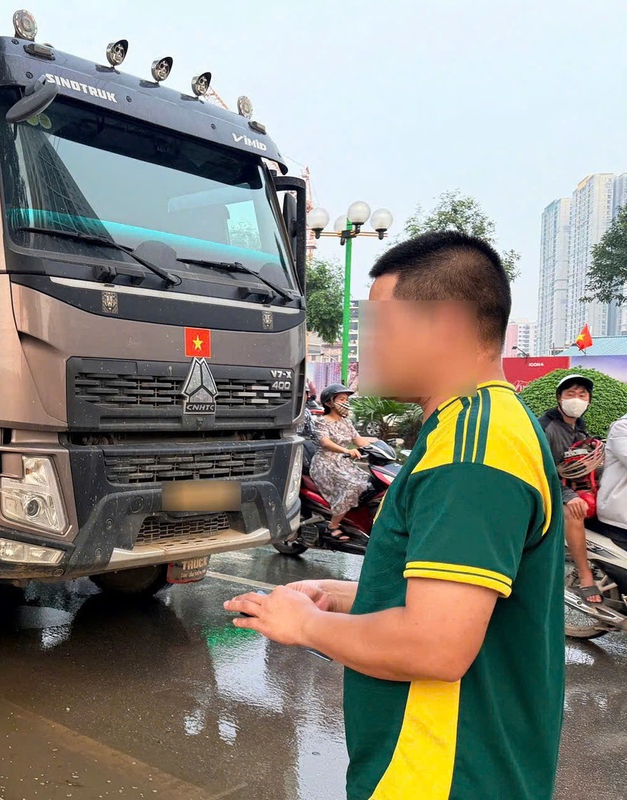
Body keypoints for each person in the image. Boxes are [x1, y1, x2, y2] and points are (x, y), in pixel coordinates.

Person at [225, 231, 564, 800]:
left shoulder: (472, 452)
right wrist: (344, 596)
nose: (365, 349)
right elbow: (461, 609)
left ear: (447, 325)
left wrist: (304, 625)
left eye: (380, 327)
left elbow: (434, 645)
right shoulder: (480, 427)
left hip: (442, 774)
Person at [538, 374, 602, 602]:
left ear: (589, 400)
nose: (576, 399)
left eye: (582, 395)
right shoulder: (546, 427)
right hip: (547, 488)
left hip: (574, 486)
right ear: (559, 398)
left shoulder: (579, 428)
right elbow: (542, 470)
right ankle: (585, 576)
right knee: (574, 511)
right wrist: (569, 496)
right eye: (570, 394)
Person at [308, 383, 375, 541]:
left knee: (369, 484)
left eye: (347, 399)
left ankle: (353, 521)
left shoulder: (347, 422)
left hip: (344, 463)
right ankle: (332, 526)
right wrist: (346, 450)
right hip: (325, 463)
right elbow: (324, 442)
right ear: (329, 402)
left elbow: (359, 440)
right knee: (352, 485)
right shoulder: (321, 422)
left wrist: (379, 448)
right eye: (341, 399)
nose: (346, 402)